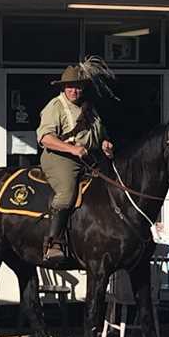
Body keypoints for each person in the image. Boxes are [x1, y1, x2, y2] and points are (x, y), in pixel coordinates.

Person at [37, 62, 114, 264]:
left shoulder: (90, 109)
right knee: (67, 192)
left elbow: (100, 133)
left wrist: (105, 142)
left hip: (89, 157)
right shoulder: (55, 106)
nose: (74, 90)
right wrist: (72, 149)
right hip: (60, 157)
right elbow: (45, 138)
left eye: (78, 86)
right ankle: (53, 243)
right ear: (63, 87)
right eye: (70, 86)